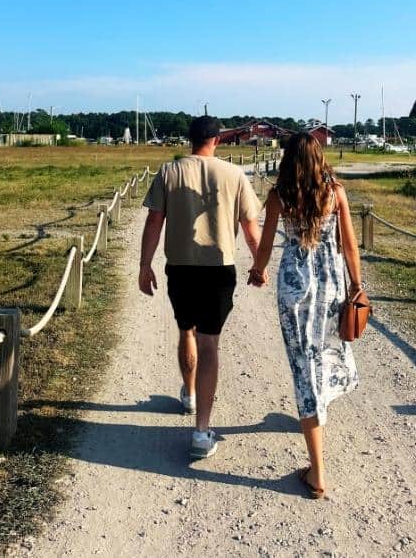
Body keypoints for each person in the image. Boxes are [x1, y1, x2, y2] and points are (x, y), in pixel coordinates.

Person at [249, 132, 364, 499]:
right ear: (318, 156)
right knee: (322, 360)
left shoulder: (279, 196)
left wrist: (258, 270)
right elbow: (348, 245)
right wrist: (357, 284)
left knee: (305, 369)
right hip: (330, 288)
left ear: (287, 159)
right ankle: (317, 414)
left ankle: (317, 472)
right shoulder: (336, 192)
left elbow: (266, 245)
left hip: (294, 291)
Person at [139, 115, 261, 459]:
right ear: (217, 140)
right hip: (218, 268)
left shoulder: (169, 172)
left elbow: (153, 221)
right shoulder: (234, 175)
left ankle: (189, 394)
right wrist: (259, 265)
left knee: (186, 331)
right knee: (211, 345)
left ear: (188, 139)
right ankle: (201, 430)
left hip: (180, 267)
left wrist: (144, 265)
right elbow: (250, 227)